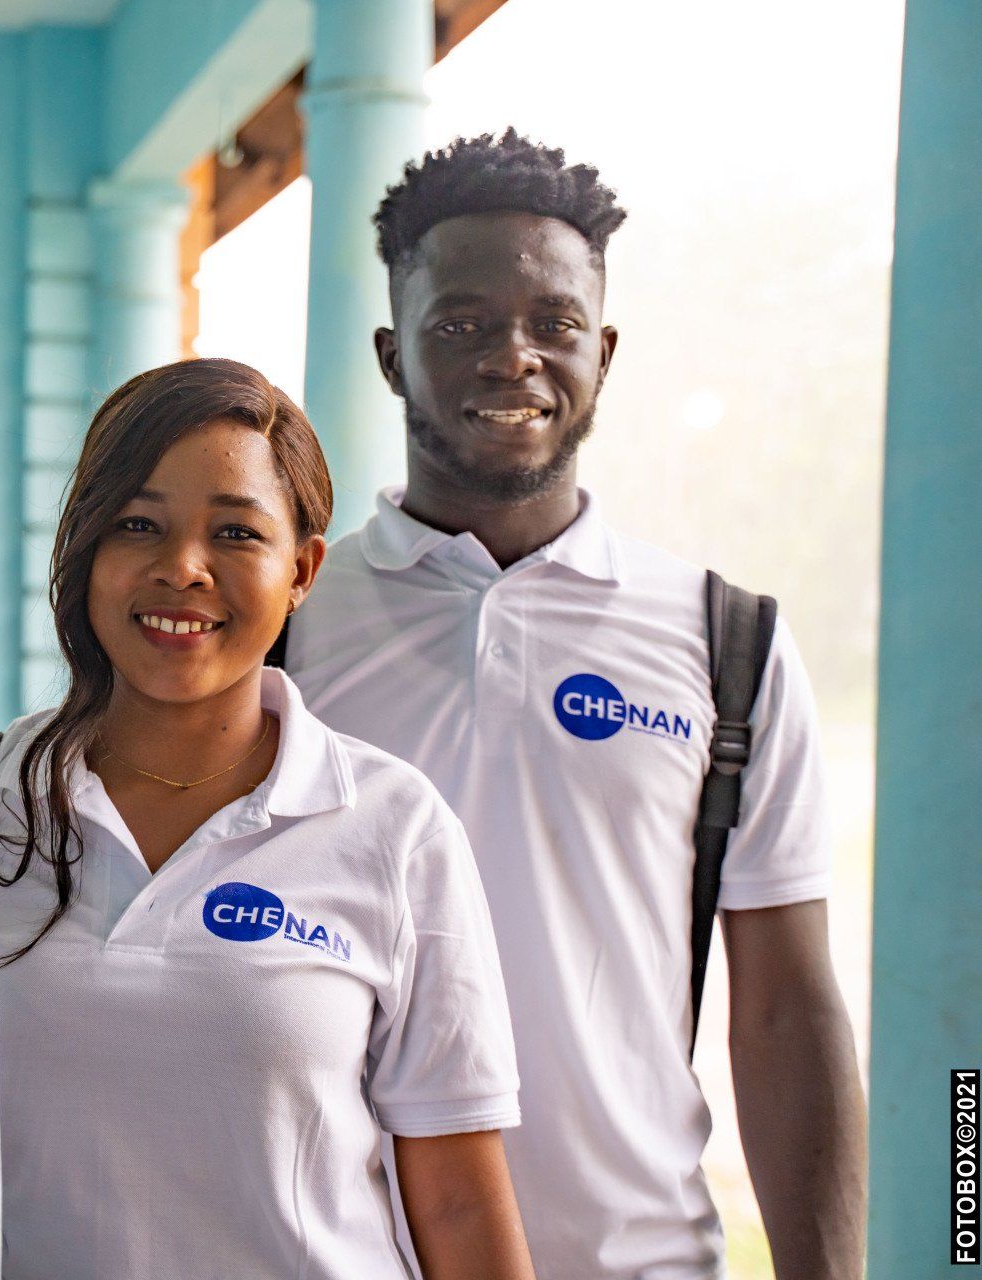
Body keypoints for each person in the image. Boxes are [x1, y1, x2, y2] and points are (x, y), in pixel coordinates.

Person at [287, 131, 867, 1278]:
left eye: (552, 324)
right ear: (392, 354)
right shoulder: (289, 628)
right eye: (460, 325)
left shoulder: (726, 645)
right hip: (336, 1254)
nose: (513, 357)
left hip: (640, 1260)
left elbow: (788, 1017)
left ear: (601, 353)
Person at [0, 357, 532, 1280]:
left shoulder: (393, 829)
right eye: (137, 524)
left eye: (235, 532)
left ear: (302, 571)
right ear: (85, 553)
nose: (182, 568)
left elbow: (457, 1198)